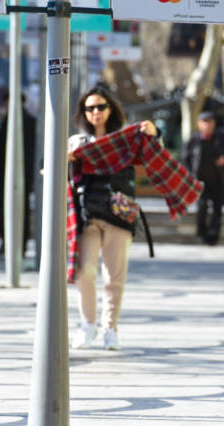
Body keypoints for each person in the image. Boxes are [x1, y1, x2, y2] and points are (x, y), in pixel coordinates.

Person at [68, 86, 159, 351]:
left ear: (110, 109)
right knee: (84, 272)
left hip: (119, 214)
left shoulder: (125, 139)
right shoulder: (77, 141)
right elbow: (47, 166)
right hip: (88, 215)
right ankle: (87, 324)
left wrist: (154, 132)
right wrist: (66, 159)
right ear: (83, 112)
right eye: (90, 108)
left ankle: (110, 328)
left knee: (114, 276)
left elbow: (153, 151)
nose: (95, 112)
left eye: (101, 107)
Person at [0, 92, 38, 257]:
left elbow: (2, 149)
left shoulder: (14, 121)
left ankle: (12, 242)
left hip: (9, 173)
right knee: (18, 207)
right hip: (20, 173)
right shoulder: (29, 120)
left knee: (3, 205)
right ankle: (17, 243)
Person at [180, 111, 224, 245]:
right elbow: (184, 159)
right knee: (202, 207)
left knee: (217, 208)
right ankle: (201, 234)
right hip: (200, 181)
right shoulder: (194, 139)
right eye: (204, 123)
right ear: (199, 124)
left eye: (209, 122)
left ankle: (214, 235)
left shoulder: (221, 137)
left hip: (217, 180)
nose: (207, 126)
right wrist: (189, 176)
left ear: (214, 124)